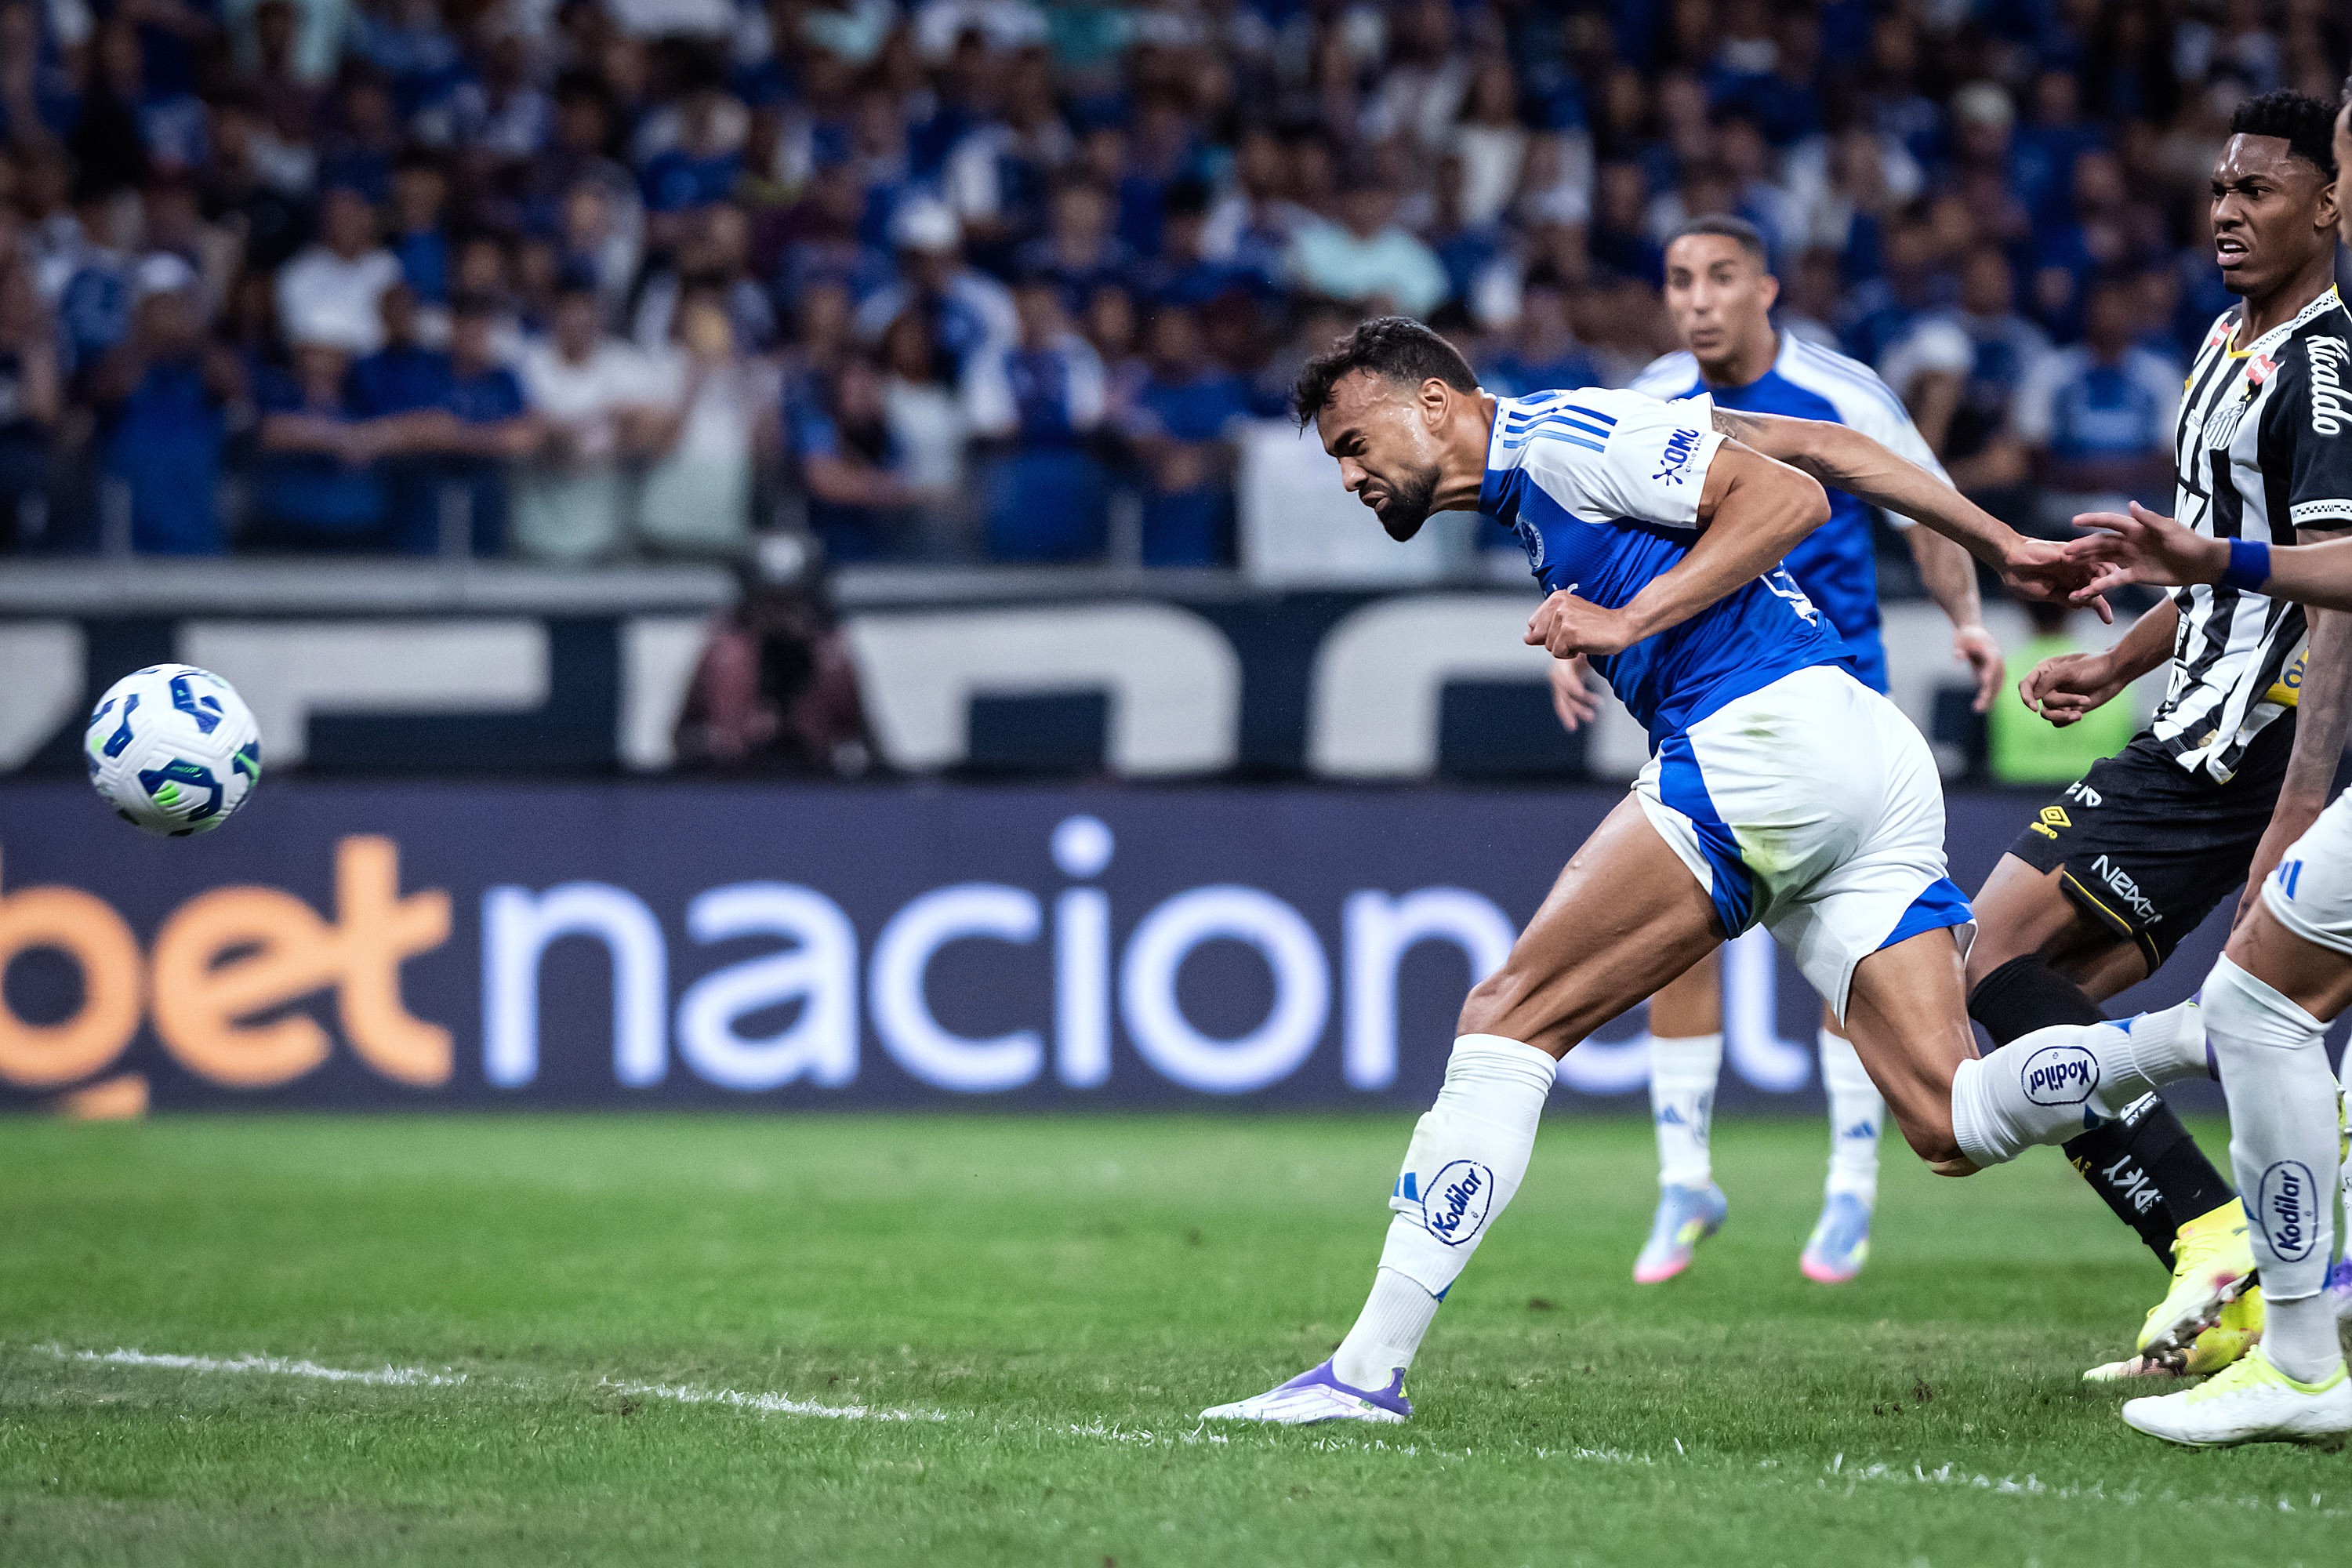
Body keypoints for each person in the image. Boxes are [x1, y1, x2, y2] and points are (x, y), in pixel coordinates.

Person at [1201, 316, 2157, 1428]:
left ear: (1434, 403)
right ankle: (2207, 1040)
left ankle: (1365, 1373)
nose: (1348, 477)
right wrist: (2004, 546)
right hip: (1864, 750)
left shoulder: (1563, 436)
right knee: (1949, 1122)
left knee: (1509, 1017)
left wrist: (1627, 620)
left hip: (1769, 733)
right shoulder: (1566, 465)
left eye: (1355, 444)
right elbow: (1828, 449)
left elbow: (1789, 501)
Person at [1960, 89, 2352, 1385]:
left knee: (1989, 956)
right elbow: (2215, 573)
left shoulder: (2321, 373)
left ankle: (2213, 1234)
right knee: (2043, 1000)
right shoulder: (2225, 341)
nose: (2228, 212)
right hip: (2190, 722)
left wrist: (2298, 802)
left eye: (2259, 191)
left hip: (2239, 750)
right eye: (2221, 189)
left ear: (2329, 206)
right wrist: (2117, 660)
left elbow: (2332, 586)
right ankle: (2232, 1264)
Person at [1596, 215, 2003, 1287]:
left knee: (1846, 949)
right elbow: (1601, 528)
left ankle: (1848, 1187)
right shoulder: (1650, 399)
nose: (1698, 299)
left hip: (1837, 705)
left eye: (1721, 277)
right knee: (1674, 938)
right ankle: (1685, 1179)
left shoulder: (1840, 392)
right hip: (1706, 703)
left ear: (1766, 290)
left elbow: (1928, 510)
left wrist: (1966, 618)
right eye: (1680, 278)